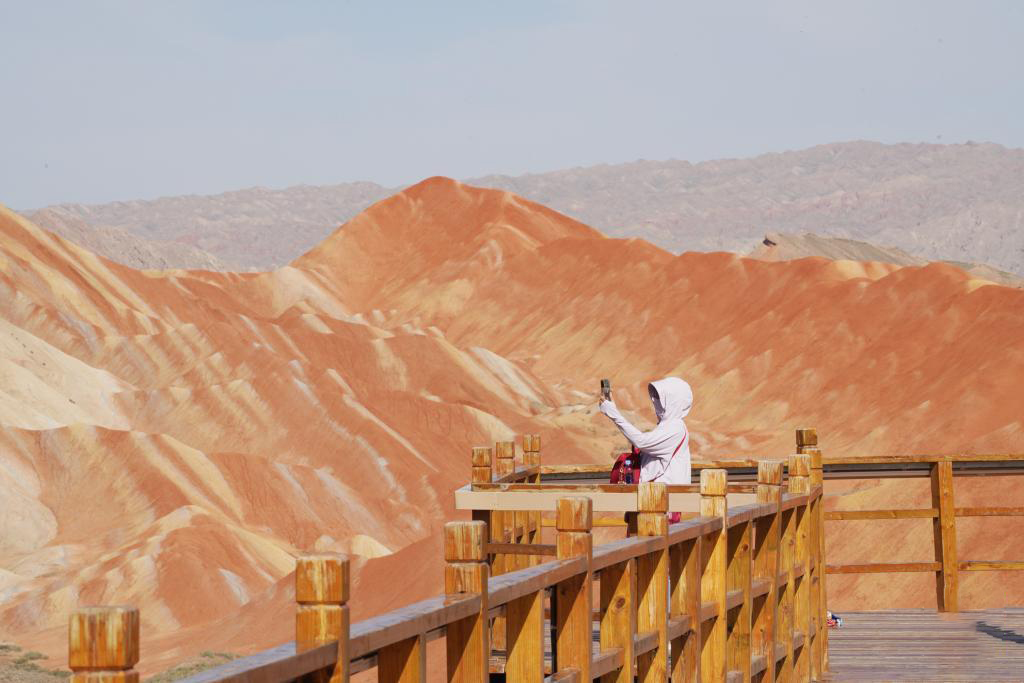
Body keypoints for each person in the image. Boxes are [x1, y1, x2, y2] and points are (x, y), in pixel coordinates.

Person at [599, 376, 693, 486]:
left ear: (673, 401)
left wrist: (614, 414)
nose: (654, 400)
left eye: (660, 397)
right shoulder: (668, 426)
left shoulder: (675, 428)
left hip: (666, 492)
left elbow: (641, 441)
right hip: (657, 491)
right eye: (655, 396)